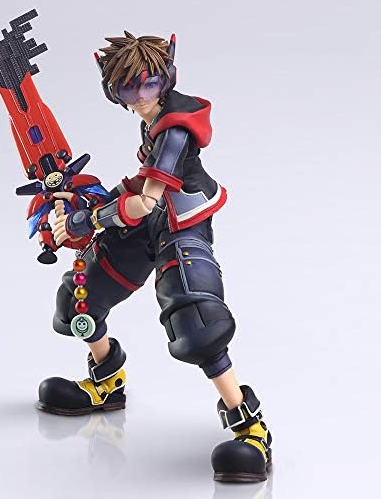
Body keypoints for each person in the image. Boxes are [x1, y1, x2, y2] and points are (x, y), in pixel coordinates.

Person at [37, 31, 272, 482]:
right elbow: (141, 188)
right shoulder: (153, 121)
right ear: (114, 92)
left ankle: (251, 428)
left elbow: (147, 200)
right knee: (80, 296)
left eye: (150, 84)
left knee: (196, 321)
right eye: (129, 89)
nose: (142, 97)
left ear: (167, 78)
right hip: (149, 217)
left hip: (181, 221)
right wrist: (89, 202)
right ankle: (107, 381)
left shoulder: (175, 128)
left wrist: (91, 219)